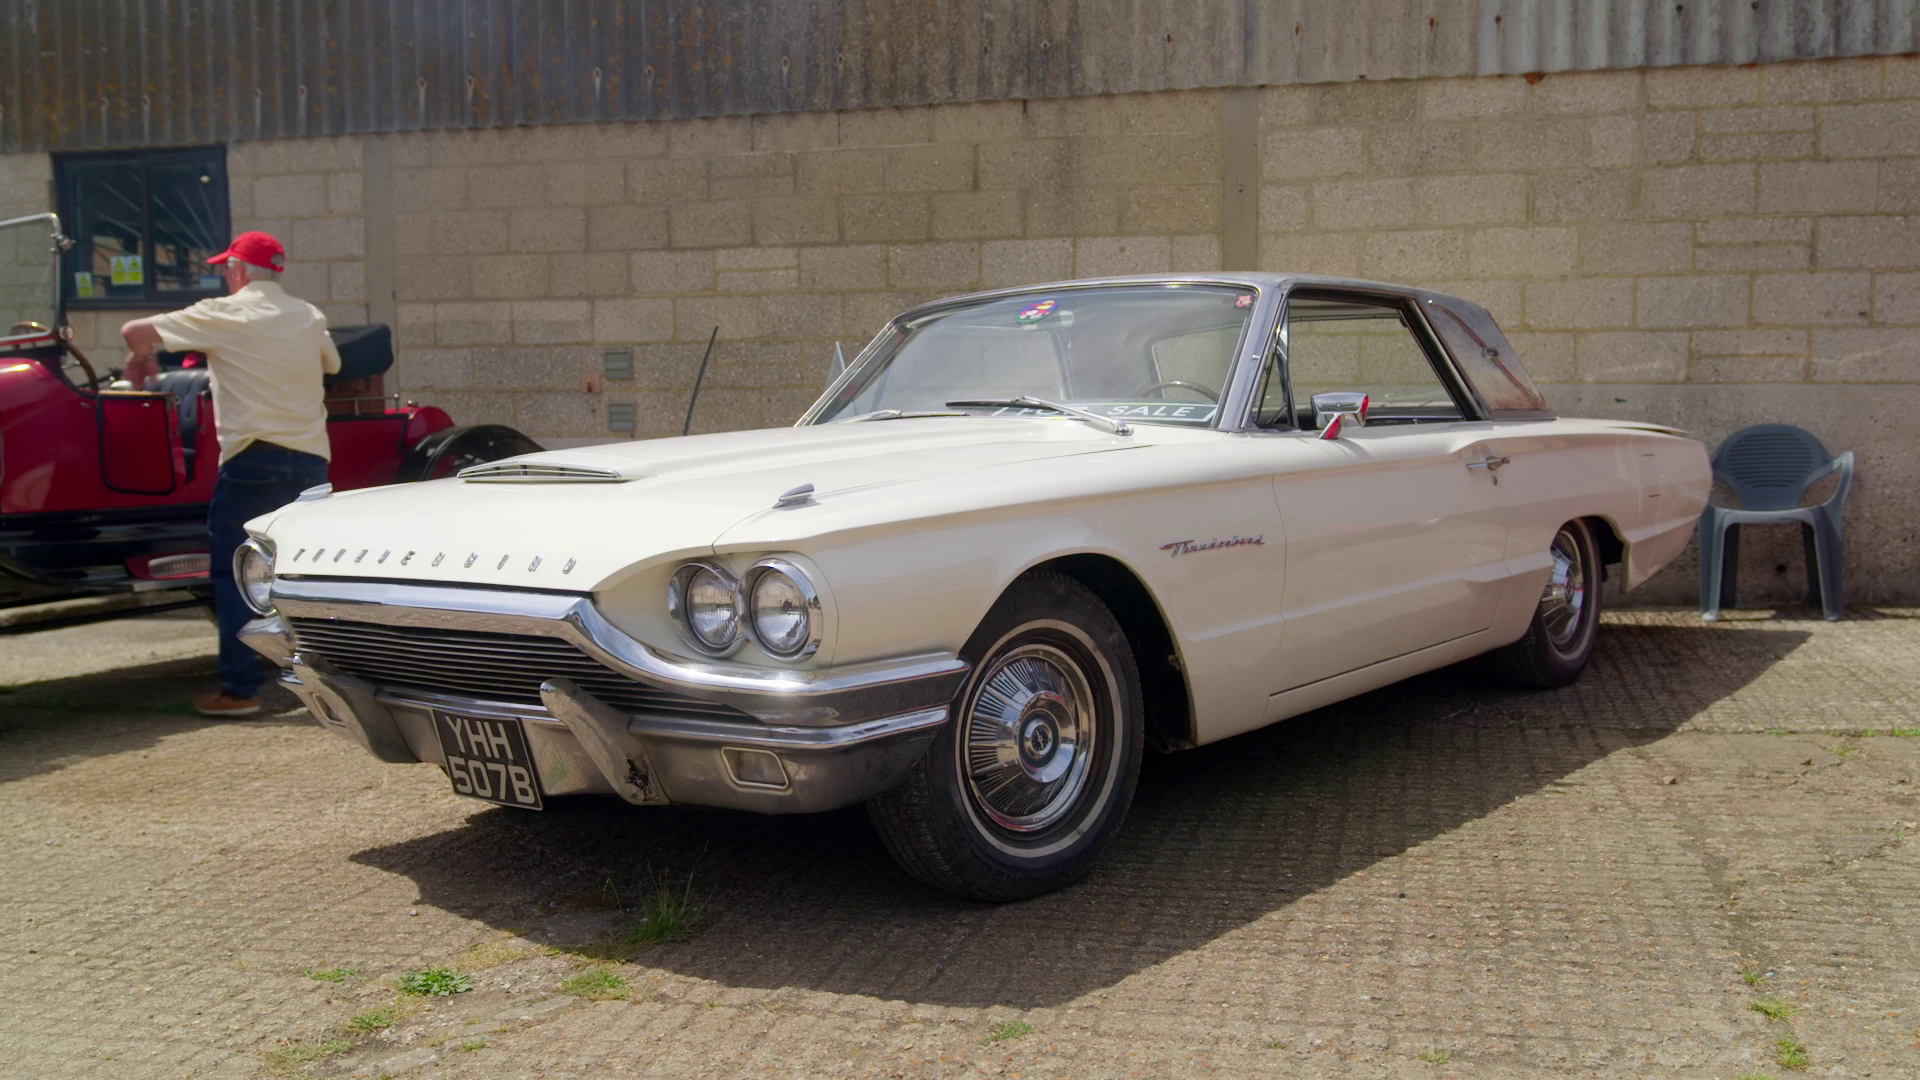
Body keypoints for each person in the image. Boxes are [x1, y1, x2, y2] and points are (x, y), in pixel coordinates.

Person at [120, 231, 341, 717]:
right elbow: (333, 361)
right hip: (310, 459)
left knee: (236, 571)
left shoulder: (224, 313)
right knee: (305, 572)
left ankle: (240, 691)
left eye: (227, 268)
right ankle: (323, 683)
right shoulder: (307, 314)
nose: (226, 275)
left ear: (238, 270)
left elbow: (134, 331)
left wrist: (143, 357)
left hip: (252, 457)